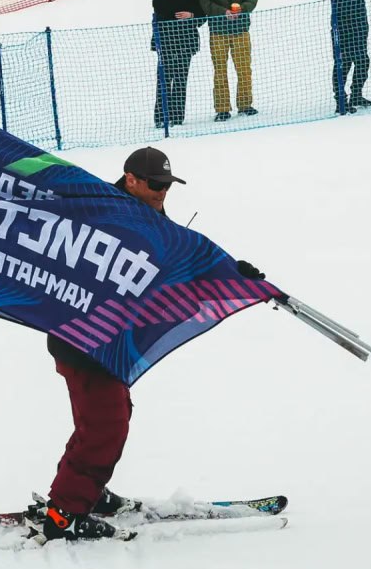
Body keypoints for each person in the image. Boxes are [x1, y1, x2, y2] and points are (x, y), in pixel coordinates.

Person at [38, 146, 268, 541]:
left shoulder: (148, 213)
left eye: (167, 185)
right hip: (82, 338)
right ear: (130, 180)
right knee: (106, 426)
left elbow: (178, 256)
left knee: (104, 418)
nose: (163, 192)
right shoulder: (100, 210)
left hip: (111, 340)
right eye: (156, 185)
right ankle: (65, 514)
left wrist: (234, 274)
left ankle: (87, 491)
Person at [198, 0, 260, 122]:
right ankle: (222, 109)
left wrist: (244, 8)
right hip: (218, 31)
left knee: (244, 69)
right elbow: (204, 2)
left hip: (241, 28)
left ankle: (245, 104)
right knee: (220, 71)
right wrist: (222, 12)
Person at [151, 0, 204, 127]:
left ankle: (177, 117)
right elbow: (160, 12)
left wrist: (191, 15)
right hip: (165, 41)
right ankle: (161, 117)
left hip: (185, 42)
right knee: (164, 79)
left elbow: (202, 16)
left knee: (180, 80)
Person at [330, 0, 370, 115]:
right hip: (345, 42)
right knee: (342, 68)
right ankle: (340, 100)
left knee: (363, 63)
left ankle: (356, 95)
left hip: (359, 38)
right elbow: (338, 24)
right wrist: (343, 44)